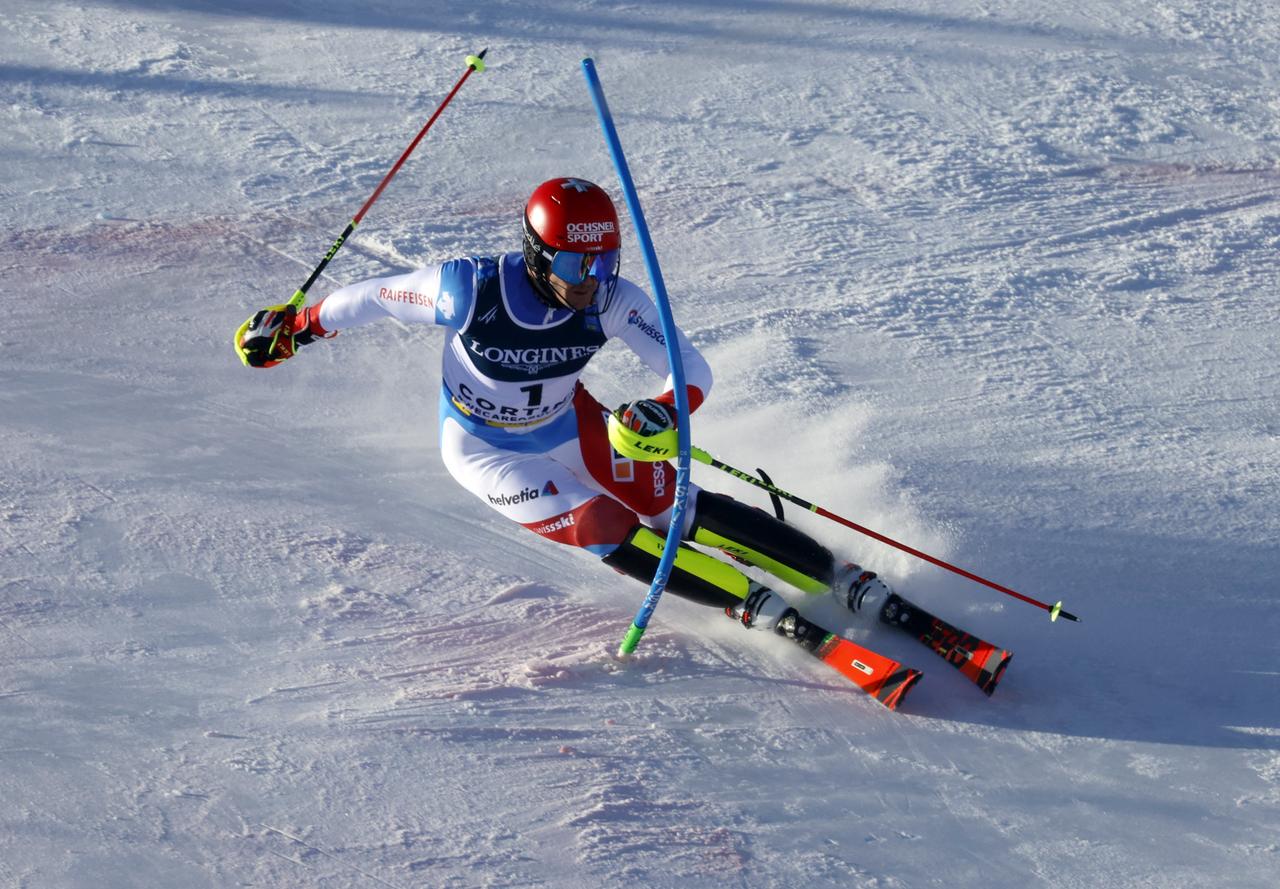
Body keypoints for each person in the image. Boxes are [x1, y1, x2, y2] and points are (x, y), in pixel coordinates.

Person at [236, 177, 886, 635]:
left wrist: (663, 409)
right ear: (539, 254)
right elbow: (377, 296)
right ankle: (749, 602)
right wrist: (299, 326)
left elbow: (690, 369)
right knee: (604, 524)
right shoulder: (469, 289)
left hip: (568, 422)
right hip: (485, 449)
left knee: (673, 506)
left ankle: (835, 576)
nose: (594, 279)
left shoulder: (609, 299)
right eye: (579, 265)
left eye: (605, 261)